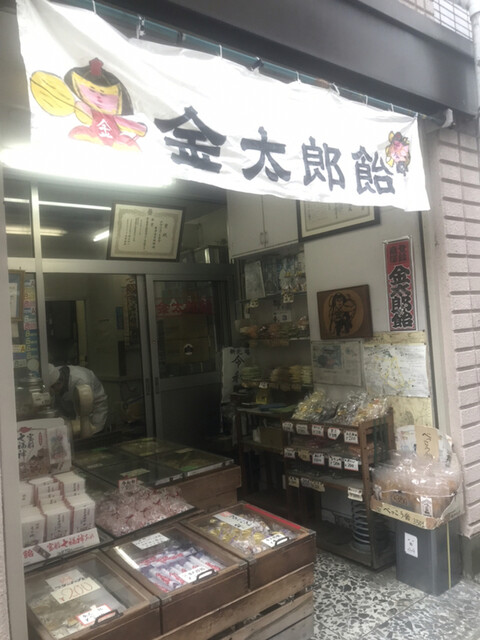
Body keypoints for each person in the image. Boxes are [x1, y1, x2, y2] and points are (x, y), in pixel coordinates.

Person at [48, 364, 108, 434]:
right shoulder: (53, 374)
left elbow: (83, 412)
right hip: (71, 406)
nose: (52, 392)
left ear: (59, 383)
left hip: (93, 407)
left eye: (53, 389)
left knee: (91, 431)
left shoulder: (82, 382)